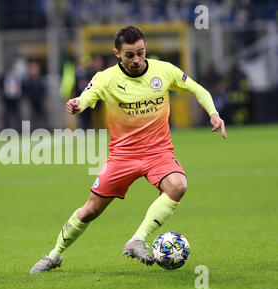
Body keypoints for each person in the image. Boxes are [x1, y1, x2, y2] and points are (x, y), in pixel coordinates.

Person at [30, 26, 226, 273]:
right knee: (90, 210)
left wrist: (214, 113)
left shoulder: (164, 71)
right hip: (122, 157)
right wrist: (77, 104)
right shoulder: (106, 78)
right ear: (117, 53)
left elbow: (198, 89)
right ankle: (54, 255)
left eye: (141, 53)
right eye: (129, 55)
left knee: (178, 185)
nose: (136, 60)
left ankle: (137, 239)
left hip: (158, 153)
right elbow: (87, 97)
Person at [23, 61, 47, 129]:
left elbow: (44, 90)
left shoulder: (41, 80)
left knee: (42, 115)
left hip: (40, 101)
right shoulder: (27, 81)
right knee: (31, 116)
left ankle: (43, 128)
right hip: (31, 101)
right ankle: (32, 129)